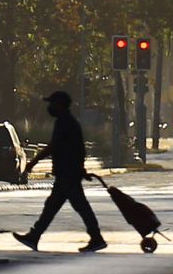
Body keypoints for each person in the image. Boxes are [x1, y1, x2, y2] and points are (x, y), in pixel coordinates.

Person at [14, 90, 107, 252]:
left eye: (52, 103)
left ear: (59, 105)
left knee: (77, 207)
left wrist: (33, 162)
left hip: (68, 174)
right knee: (54, 206)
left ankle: (96, 238)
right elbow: (79, 149)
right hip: (68, 173)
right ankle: (34, 236)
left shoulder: (65, 123)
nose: (49, 107)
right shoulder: (68, 122)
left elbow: (53, 146)